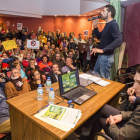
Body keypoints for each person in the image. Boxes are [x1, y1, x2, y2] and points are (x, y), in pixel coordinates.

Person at [76, 66, 140, 140]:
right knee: (100, 112)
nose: (134, 86)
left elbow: (119, 137)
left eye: (139, 82)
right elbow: (134, 113)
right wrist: (122, 116)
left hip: (122, 132)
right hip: (131, 118)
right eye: (135, 81)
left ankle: (82, 133)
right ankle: (85, 134)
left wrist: (112, 125)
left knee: (100, 113)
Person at [90, 5, 122, 79]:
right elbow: (99, 36)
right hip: (102, 56)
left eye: (104, 11)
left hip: (106, 57)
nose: (101, 12)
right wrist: (95, 27)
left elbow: (119, 40)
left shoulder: (113, 24)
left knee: (104, 81)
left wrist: (102, 50)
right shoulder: (107, 25)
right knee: (95, 75)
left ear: (109, 13)